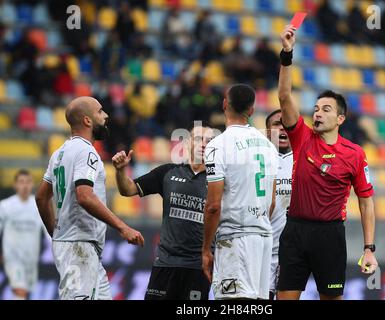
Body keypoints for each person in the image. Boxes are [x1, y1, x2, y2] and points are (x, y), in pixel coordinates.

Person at [277, 25, 378, 300]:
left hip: (330, 236)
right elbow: (285, 97)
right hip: (295, 230)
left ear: (340, 119)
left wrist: (369, 247)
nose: (318, 113)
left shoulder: (355, 153)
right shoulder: (302, 137)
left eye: (326, 109)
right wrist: (287, 55)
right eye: (316, 108)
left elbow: (366, 201)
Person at [35, 96, 144, 300]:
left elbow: (41, 197)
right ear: (87, 120)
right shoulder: (87, 152)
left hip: (81, 246)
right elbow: (84, 196)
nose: (106, 115)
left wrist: (56, 233)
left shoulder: (59, 153)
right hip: (79, 246)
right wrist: (123, 227)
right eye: (100, 111)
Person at [112, 122, 215, 300]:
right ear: (187, 144)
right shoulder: (168, 172)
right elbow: (127, 190)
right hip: (166, 263)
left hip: (198, 267)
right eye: (199, 139)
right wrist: (121, 171)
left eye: (210, 140)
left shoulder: (218, 181)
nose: (204, 144)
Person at [202, 84, 278, 300]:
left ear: (225, 104)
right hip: (264, 238)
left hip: (236, 238)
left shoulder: (218, 145)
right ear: (252, 110)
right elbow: (271, 202)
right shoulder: (268, 146)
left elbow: (213, 206)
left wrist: (206, 249)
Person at [0, 170, 44, 299]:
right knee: (20, 290)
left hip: (31, 258)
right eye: (21, 182)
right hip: (13, 258)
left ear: (32, 185)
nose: (25, 186)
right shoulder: (5, 206)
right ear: (15, 185)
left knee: (24, 292)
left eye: (28, 182)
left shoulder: (38, 206)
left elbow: (48, 231)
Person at [265, 109, 293, 300]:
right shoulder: (255, 162)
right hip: (262, 250)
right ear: (267, 132)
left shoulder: (305, 161)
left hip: (293, 253)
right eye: (276, 124)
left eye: (287, 124)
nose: (282, 128)